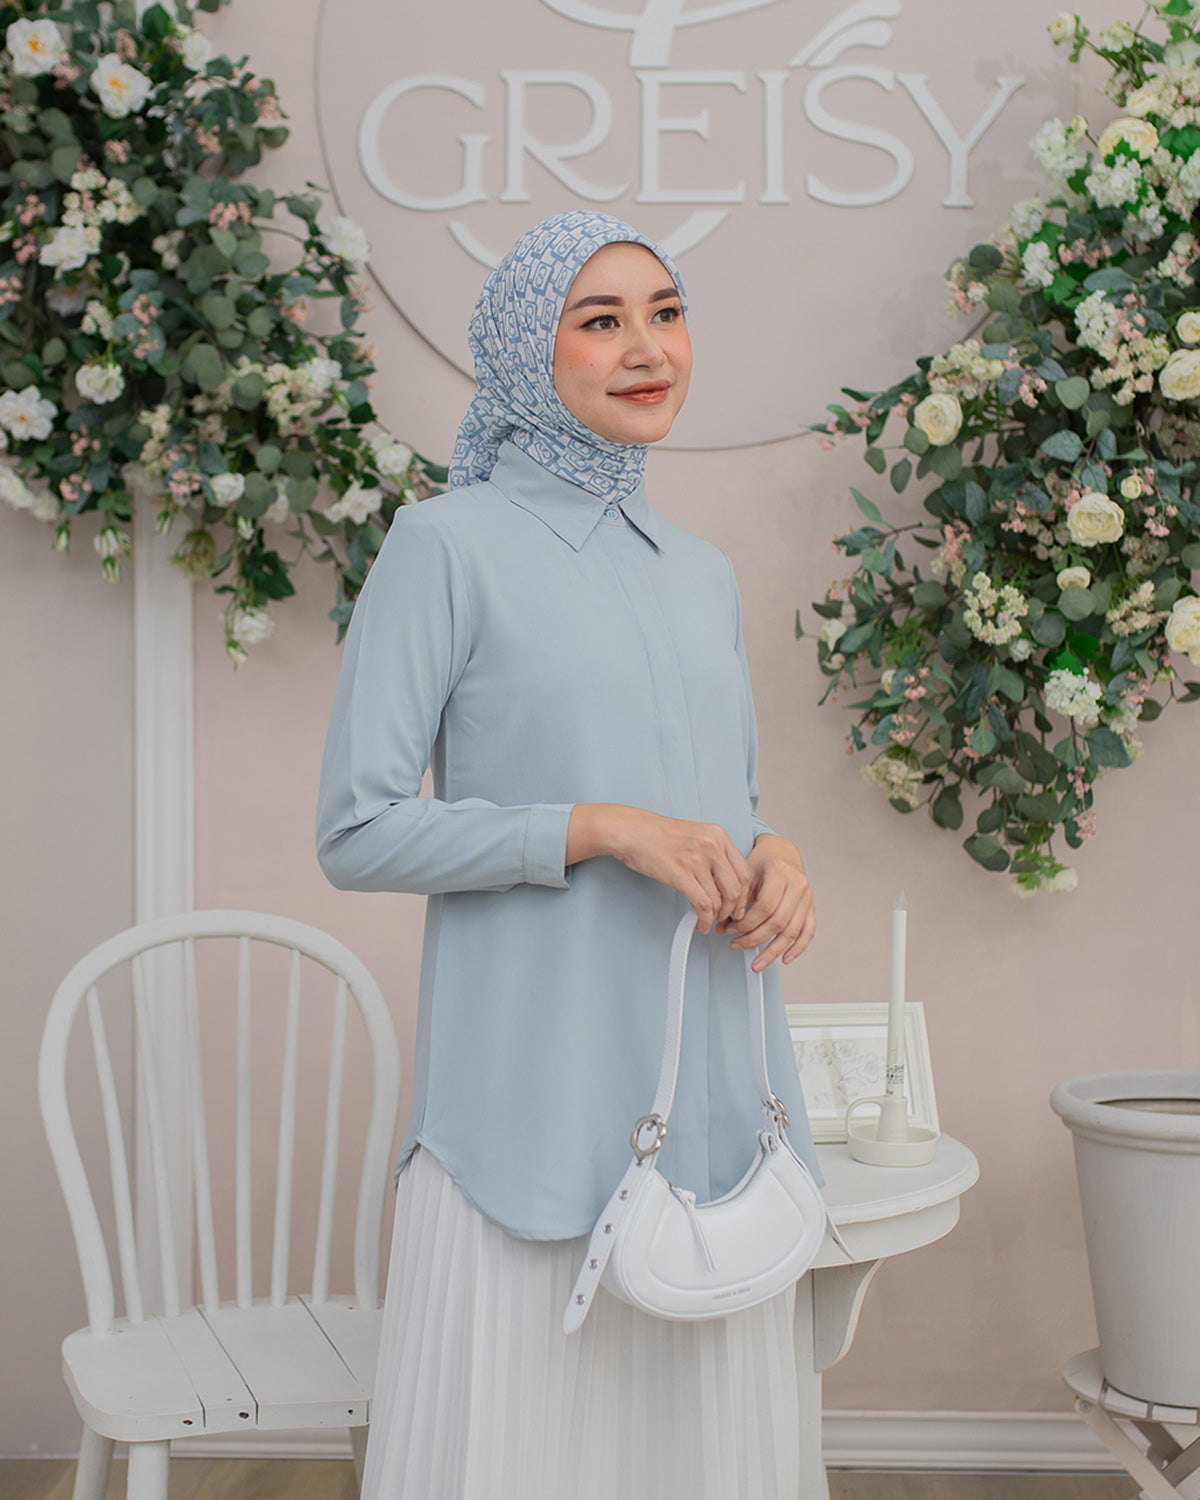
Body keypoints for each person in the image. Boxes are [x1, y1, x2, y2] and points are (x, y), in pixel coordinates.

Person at [316, 210, 820, 1500]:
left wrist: (778, 856)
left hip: (713, 1085)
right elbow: (358, 832)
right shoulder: (446, 544)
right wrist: (594, 829)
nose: (648, 348)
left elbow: (728, 802)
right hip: (530, 1100)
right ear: (526, 355)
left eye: (666, 312)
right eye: (600, 321)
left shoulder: (701, 573)